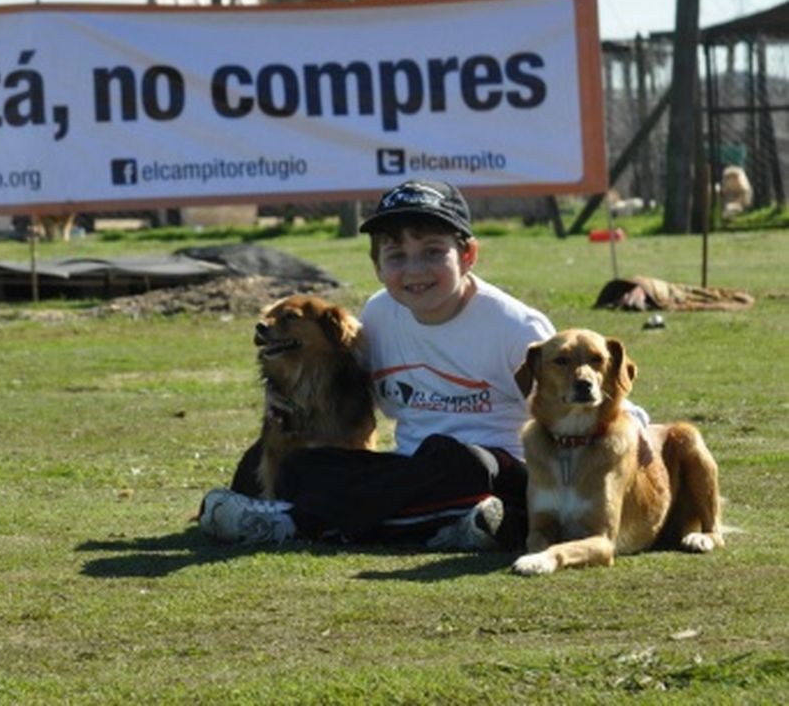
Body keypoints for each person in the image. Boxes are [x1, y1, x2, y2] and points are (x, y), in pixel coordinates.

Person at [198, 179, 555, 551]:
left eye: (433, 252)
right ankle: (460, 526)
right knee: (304, 466)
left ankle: (300, 521)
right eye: (396, 256)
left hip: (497, 471)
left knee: (457, 457)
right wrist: (279, 397)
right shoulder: (380, 314)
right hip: (409, 475)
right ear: (377, 266)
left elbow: (595, 413)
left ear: (467, 255)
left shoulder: (515, 327)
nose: (415, 270)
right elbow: (342, 384)